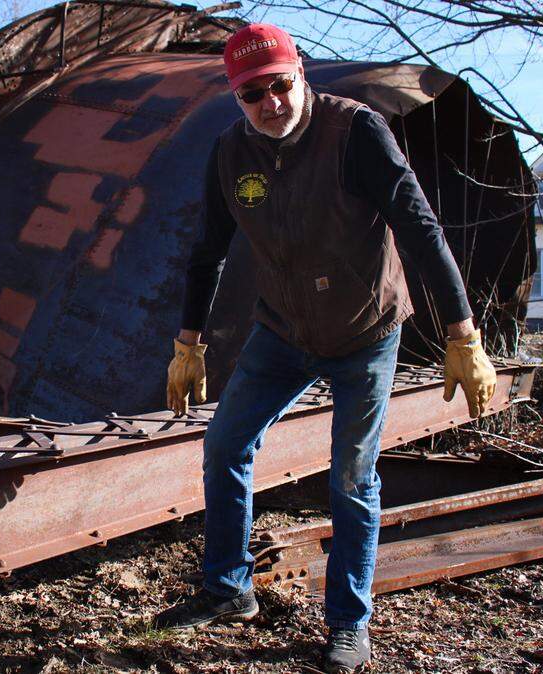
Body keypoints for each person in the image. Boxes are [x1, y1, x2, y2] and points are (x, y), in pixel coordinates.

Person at [156, 23, 498, 674]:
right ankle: (228, 590)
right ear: (237, 98)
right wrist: (188, 344)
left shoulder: (355, 132)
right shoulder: (231, 153)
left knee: (350, 479)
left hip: (364, 333)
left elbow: (420, 230)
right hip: (282, 330)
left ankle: (348, 623)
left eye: (280, 85)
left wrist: (464, 336)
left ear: (301, 76)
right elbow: (207, 252)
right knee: (225, 445)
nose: (270, 104)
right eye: (252, 94)